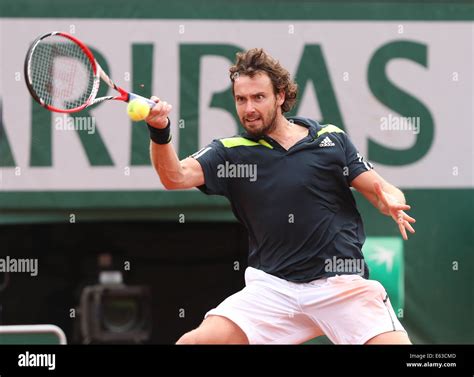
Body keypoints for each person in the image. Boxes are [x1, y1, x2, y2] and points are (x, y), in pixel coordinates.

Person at [146, 48, 416, 345]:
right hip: (273, 289)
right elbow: (174, 177)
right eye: (241, 99)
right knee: (193, 343)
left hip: (341, 285)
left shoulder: (328, 139)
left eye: (258, 97)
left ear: (281, 96)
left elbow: (381, 190)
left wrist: (391, 200)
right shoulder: (230, 152)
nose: (249, 108)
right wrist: (161, 130)